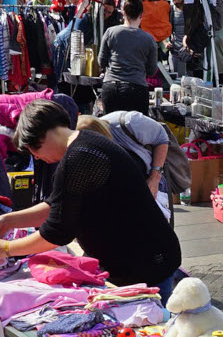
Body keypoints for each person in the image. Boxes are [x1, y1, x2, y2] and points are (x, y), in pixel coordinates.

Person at [1, 100, 182, 300]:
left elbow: (57, 231)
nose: (37, 158)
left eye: (32, 152)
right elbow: (57, 205)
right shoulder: (86, 143)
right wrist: (8, 221)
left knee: (156, 325)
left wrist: (7, 249)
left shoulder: (78, 157)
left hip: (145, 264)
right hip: (144, 257)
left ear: (38, 140)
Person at [98, 0, 160, 115]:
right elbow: (152, 70)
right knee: (135, 131)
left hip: (111, 88)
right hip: (136, 89)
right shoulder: (149, 39)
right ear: (141, 15)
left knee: (110, 130)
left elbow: (101, 62)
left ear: (123, 13)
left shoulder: (110, 32)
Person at [168, 0, 208, 78]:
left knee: (192, 79)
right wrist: (167, 42)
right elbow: (168, 28)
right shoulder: (172, 9)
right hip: (176, 50)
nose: (175, 1)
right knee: (178, 79)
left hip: (191, 50)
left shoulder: (193, 8)